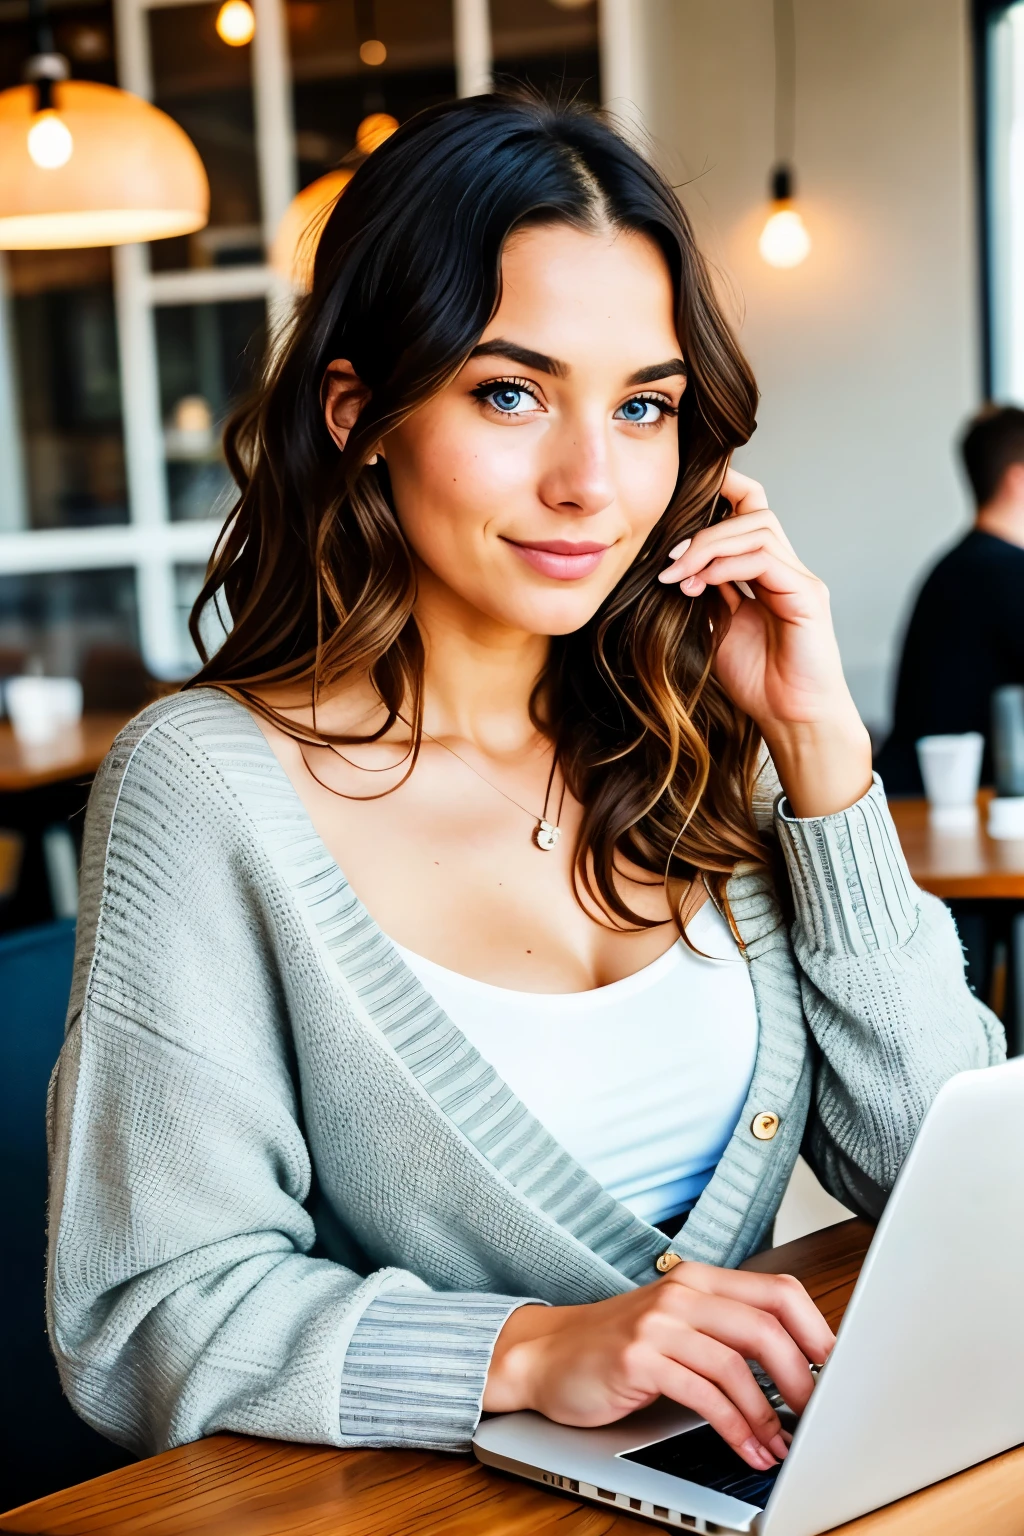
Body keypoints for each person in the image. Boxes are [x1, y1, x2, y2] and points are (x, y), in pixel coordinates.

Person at [47, 94, 1002, 1478]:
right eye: (511, 392)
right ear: (360, 410)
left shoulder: (693, 737)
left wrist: (821, 750)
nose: (591, 483)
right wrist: (531, 1347)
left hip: (748, 1476)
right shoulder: (209, 788)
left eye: (644, 407)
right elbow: (142, 1319)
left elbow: (944, 1173)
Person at [876, 404, 1024, 793]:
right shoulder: (1007, 572)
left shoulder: (955, 567)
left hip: (915, 794)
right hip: (945, 808)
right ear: (1019, 479)